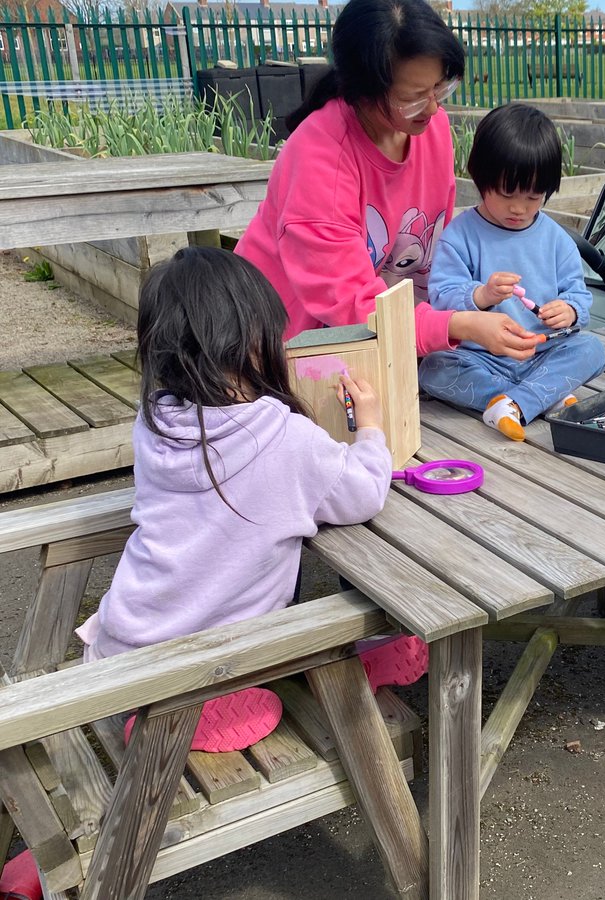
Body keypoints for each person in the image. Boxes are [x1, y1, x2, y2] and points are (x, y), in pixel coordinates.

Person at [76, 248, 427, 753]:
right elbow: (364, 493)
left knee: (273, 600)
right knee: (323, 615)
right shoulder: (283, 436)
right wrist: (369, 429)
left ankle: (336, 662)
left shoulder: (155, 422)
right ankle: (191, 709)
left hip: (124, 645)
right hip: (208, 659)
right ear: (253, 341)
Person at [235, 0, 539, 362]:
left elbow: (434, 252)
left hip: (387, 340)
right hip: (281, 351)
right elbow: (353, 308)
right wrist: (458, 326)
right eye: (411, 98)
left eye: (441, 87)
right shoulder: (322, 161)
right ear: (363, 89)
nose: (432, 109)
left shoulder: (432, 130)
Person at [418, 103, 605, 442]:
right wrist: (481, 295)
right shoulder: (460, 235)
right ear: (480, 179)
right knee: (433, 367)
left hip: (543, 352)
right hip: (480, 358)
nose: (519, 208)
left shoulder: (556, 239)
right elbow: (442, 297)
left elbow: (578, 295)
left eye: (534, 197)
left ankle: (515, 402)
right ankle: (536, 396)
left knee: (591, 349)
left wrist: (569, 310)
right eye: (507, 195)